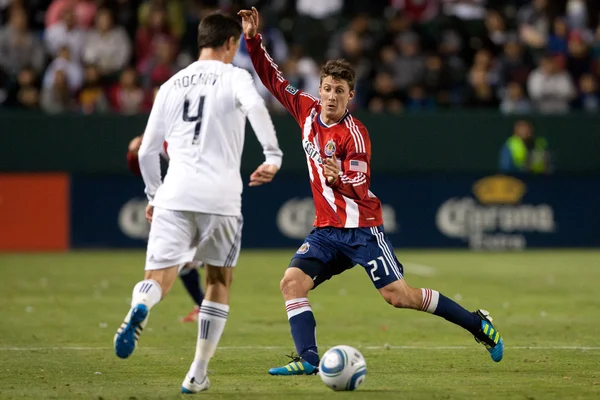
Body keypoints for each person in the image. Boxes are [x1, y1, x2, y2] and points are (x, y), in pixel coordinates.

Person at [238, 7, 504, 376]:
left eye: (340, 92)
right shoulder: (306, 111)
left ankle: (477, 324)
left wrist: (338, 179)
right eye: (327, 89)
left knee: (400, 297)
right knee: (291, 282)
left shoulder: (356, 134)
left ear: (351, 96)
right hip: (326, 231)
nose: (331, 97)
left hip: (362, 228)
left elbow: (360, 186)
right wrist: (252, 39)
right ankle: (309, 359)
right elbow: (272, 77)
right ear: (320, 89)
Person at [113, 12, 283, 394]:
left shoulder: (170, 84)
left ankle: (140, 306)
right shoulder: (235, 76)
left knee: (157, 278)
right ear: (229, 43)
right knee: (218, 281)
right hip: (221, 198)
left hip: (174, 193)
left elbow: (146, 152)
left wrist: (155, 196)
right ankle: (197, 372)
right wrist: (272, 154)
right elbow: (257, 108)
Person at [127, 135, 205, 323]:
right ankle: (203, 307)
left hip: (186, 197)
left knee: (172, 265)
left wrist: (154, 197)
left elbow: (143, 153)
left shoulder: (170, 130)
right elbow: (141, 154)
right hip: (206, 194)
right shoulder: (173, 130)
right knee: (188, 261)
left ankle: (143, 302)